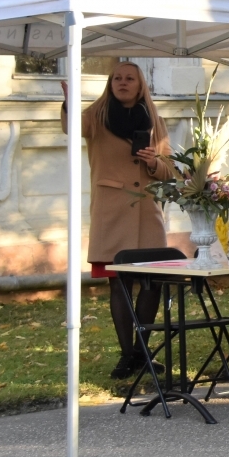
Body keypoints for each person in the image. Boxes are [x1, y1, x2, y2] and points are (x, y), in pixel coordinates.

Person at [61, 62, 175, 379]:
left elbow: (169, 173)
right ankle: (128, 355)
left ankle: (141, 352)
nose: (122, 83)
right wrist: (70, 103)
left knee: (153, 283)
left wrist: (154, 162)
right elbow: (72, 129)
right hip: (111, 210)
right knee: (120, 284)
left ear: (141, 85)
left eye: (129, 78)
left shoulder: (155, 121)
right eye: (117, 78)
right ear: (110, 83)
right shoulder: (95, 118)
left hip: (146, 212)